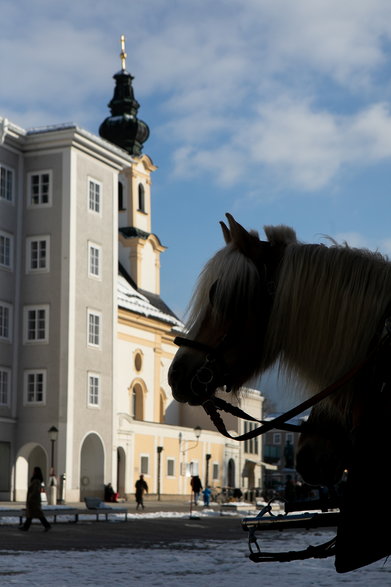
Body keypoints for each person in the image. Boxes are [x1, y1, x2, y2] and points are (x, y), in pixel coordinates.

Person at [19, 467, 51, 532]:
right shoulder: (36, 480)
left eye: (34, 471)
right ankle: (26, 527)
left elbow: (35, 490)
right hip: (34, 500)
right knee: (32, 515)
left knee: (36, 514)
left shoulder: (36, 480)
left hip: (34, 501)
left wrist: (31, 497)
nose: (33, 472)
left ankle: (46, 525)